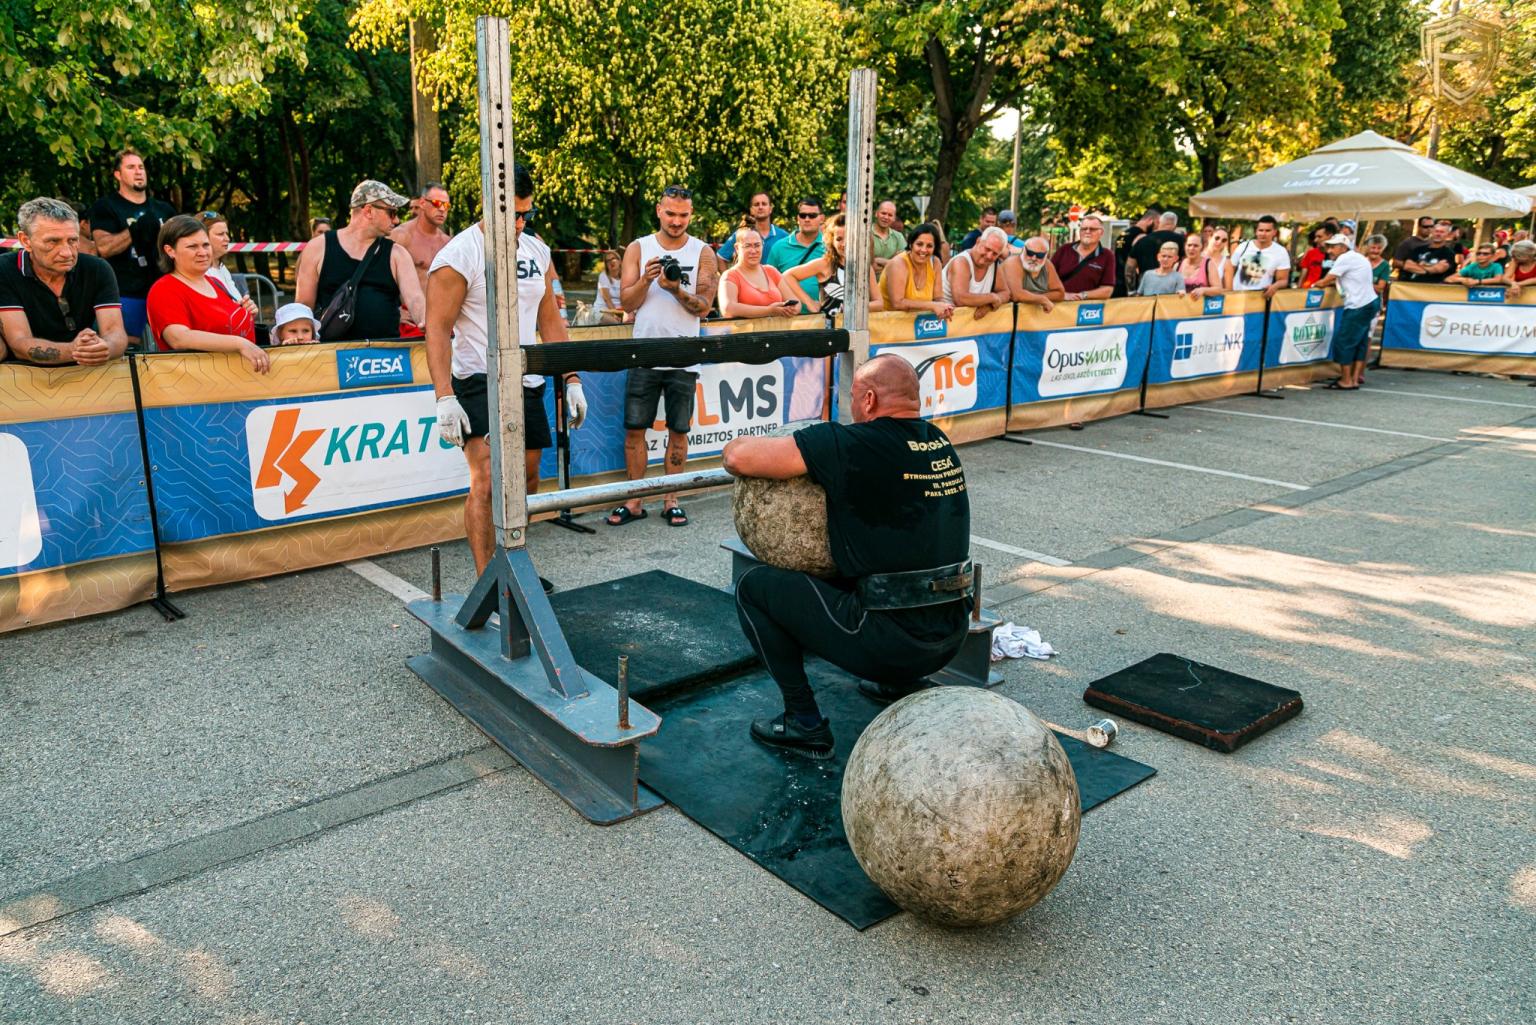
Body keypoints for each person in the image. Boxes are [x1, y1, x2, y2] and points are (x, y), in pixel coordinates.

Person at [720, 354, 972, 759]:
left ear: (869, 400)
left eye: (853, 397)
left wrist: (736, 441)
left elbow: (738, 458)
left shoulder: (852, 443)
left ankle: (803, 722)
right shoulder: (939, 442)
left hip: (890, 646)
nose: (851, 406)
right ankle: (900, 684)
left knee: (753, 588)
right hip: (951, 636)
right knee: (875, 562)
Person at [428, 165, 584, 589]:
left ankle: (514, 568)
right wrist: (444, 397)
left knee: (527, 479)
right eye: (510, 214)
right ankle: (489, 584)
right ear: (487, 205)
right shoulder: (459, 256)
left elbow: (551, 323)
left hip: (526, 379)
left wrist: (571, 378)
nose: (518, 223)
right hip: (478, 378)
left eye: (525, 214)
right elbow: (437, 329)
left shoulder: (536, 251)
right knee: (487, 480)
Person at [610, 184, 718, 528]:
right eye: (670, 213)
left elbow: (704, 307)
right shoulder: (638, 248)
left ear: (691, 214)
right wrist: (646, 279)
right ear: (659, 210)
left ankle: (672, 500)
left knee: (679, 431)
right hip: (644, 353)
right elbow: (627, 303)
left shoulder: (703, 252)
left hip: (684, 355)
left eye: (683, 215)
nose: (676, 221)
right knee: (634, 430)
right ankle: (634, 500)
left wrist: (675, 289)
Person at [0, 197, 128, 366]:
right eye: (53, 242)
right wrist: (76, 350)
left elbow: (115, 333)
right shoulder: (4, 269)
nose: (67, 253)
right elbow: (19, 343)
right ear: (25, 241)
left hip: (87, 372)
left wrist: (105, 348)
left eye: (72, 240)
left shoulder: (97, 268)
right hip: (23, 375)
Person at [295, 180, 425, 340]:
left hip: (386, 353)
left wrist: (427, 323)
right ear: (369, 211)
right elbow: (302, 308)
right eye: (391, 213)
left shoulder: (397, 254)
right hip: (331, 352)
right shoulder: (318, 248)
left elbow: (415, 299)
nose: (397, 220)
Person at [145, 215, 266, 373]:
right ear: (170, 251)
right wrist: (239, 343)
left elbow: (222, 325)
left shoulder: (215, 282)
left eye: (205, 245)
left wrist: (245, 314)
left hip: (241, 377)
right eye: (192, 246)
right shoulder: (164, 289)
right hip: (201, 382)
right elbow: (178, 338)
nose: (202, 252)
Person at [87, 149, 176, 342]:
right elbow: (104, 248)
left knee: (172, 345)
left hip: (164, 289)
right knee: (127, 348)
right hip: (125, 291)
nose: (138, 171)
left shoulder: (164, 209)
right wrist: (135, 230)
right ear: (118, 175)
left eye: (141, 167)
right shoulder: (106, 206)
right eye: (131, 167)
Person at [780, 212, 883, 317]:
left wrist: (854, 307)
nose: (844, 244)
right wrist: (809, 302)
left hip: (857, 326)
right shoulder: (825, 264)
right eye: (839, 239)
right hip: (828, 326)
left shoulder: (865, 268)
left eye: (850, 238)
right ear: (832, 241)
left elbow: (879, 303)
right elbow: (787, 275)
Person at [1314, 234, 1378, 390]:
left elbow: (1327, 279)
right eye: (1329, 247)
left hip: (1358, 305)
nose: (1329, 250)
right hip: (1369, 302)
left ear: (1343, 247)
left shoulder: (1345, 258)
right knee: (1360, 342)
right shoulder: (1358, 257)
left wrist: (1315, 285)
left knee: (1345, 342)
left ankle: (1346, 380)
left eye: (1333, 247)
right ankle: (1354, 379)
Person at [720, 220, 795, 319]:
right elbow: (728, 309)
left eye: (757, 245)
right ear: (737, 248)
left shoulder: (771, 271)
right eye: (747, 246)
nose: (753, 251)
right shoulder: (730, 275)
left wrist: (789, 309)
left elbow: (796, 304)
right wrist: (769, 311)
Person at [879, 223, 953, 319]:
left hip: (917, 323)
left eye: (929, 246)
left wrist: (944, 307)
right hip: (888, 322)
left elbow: (938, 298)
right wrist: (932, 305)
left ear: (934, 248)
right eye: (919, 244)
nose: (924, 250)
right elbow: (897, 303)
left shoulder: (935, 262)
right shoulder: (898, 264)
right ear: (911, 244)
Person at [764, 197, 826, 312]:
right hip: (788, 316)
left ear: (822, 218)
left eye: (812, 215)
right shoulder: (779, 247)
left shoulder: (830, 247)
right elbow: (768, 283)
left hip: (823, 315)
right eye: (803, 215)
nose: (807, 219)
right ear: (798, 218)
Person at [390, 182, 452, 294]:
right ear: (422, 203)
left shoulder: (448, 243)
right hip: (406, 304)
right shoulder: (401, 236)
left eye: (446, 205)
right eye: (437, 203)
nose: (442, 209)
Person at [942, 225, 1010, 318]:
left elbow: (1006, 293)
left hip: (967, 322)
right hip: (945, 321)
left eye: (995, 253)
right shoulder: (961, 261)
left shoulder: (993, 265)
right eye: (987, 249)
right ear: (978, 241)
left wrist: (989, 306)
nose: (989, 256)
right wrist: (992, 298)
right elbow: (960, 299)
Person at [1050, 213, 1116, 300]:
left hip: (1088, 307)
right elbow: (1047, 278)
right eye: (1084, 229)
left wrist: (1082, 295)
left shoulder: (1107, 255)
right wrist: (1063, 295)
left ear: (1101, 233)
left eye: (1092, 229)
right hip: (1061, 304)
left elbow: (1107, 289)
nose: (1087, 231)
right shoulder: (1064, 250)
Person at [1224, 215, 1291, 297]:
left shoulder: (1281, 252)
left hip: (1260, 298)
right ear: (1256, 231)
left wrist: (1274, 286)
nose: (1263, 234)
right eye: (1260, 230)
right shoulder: (1243, 246)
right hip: (1236, 296)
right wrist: (1228, 292)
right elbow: (1229, 270)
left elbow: (1283, 280)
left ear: (1274, 232)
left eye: (1267, 231)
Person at [715, 192, 789, 265]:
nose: (760, 207)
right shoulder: (741, 235)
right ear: (751, 210)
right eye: (756, 204)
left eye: (764, 204)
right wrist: (730, 273)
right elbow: (720, 257)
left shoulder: (784, 236)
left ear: (770, 209)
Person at [1003, 235, 1065, 313]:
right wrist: (1042, 299)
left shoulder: (1047, 265)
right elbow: (1016, 295)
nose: (1033, 258)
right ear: (1023, 250)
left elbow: (1060, 294)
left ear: (1046, 255)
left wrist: (1032, 297)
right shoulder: (1013, 262)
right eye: (1030, 253)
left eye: (1040, 255)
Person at [195, 211, 247, 301]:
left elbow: (234, 301)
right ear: (202, 237)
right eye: (220, 234)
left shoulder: (221, 267)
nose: (227, 239)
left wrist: (247, 306)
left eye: (227, 233)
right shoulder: (200, 273)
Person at [1127, 211, 1183, 290]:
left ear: (1160, 223)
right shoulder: (1181, 240)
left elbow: (1130, 267)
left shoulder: (1142, 241)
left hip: (1146, 286)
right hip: (1171, 288)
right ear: (1175, 225)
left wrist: (1131, 290)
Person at [1114, 208, 1158, 298]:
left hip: (1117, 280)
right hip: (1129, 284)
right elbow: (1136, 264)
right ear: (1150, 220)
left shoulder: (1123, 234)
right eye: (1157, 223)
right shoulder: (1141, 236)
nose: (1157, 227)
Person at [871, 200, 906, 275]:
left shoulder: (899, 237)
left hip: (891, 281)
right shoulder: (865, 233)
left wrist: (879, 260)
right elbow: (865, 263)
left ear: (894, 218)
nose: (886, 217)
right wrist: (893, 261)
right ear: (876, 213)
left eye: (890, 215)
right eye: (883, 213)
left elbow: (902, 263)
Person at [592, 250, 626, 323]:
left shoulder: (625, 277)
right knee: (616, 323)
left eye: (613, 258)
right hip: (602, 310)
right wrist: (615, 314)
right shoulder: (603, 276)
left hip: (620, 311)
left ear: (619, 261)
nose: (611, 262)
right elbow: (607, 299)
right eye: (608, 261)